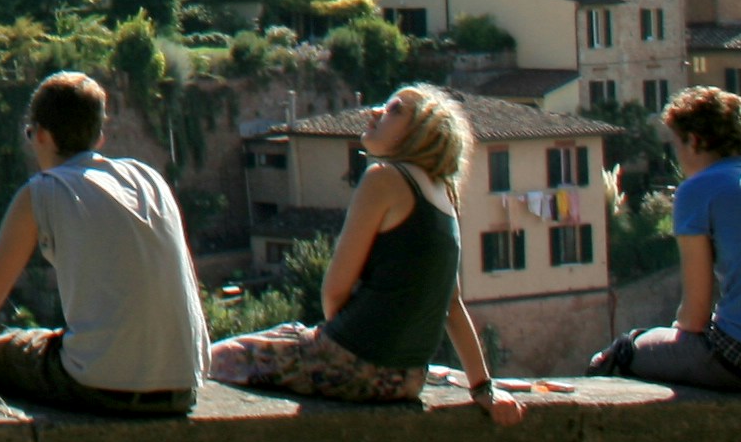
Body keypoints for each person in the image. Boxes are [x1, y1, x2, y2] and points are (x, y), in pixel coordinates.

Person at [207, 84, 527, 424]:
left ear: (423, 133)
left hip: (352, 363)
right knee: (286, 334)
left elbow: (334, 291)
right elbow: (452, 304)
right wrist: (483, 388)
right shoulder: (443, 196)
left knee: (217, 358)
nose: (375, 112)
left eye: (395, 110)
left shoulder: (384, 179)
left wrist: (339, 347)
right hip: (407, 380)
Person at [0, 69, 212, 417]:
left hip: (101, 386)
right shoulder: (149, 179)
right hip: (183, 388)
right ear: (98, 137)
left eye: (30, 133)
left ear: (42, 135)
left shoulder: (44, 190)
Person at [588, 85, 741, 393]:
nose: (677, 159)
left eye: (676, 147)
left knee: (622, 352)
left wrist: (662, 345)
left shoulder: (697, 190)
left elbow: (694, 317)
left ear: (694, 141)